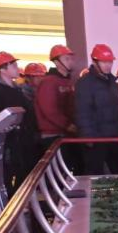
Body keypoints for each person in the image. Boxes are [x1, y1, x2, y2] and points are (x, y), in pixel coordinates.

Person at [0, 51, 40, 191]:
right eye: (13, 65)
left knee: (25, 174)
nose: (17, 68)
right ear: (2, 69)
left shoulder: (16, 88)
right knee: (7, 176)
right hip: (8, 142)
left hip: (23, 140)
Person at [74, 44, 118, 175]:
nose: (108, 65)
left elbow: (117, 109)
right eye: (104, 62)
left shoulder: (112, 82)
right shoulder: (85, 83)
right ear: (94, 62)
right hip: (96, 139)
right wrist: (88, 138)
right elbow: (82, 112)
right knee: (95, 174)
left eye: (110, 62)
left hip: (114, 137)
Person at [36, 44, 81, 174]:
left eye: (71, 58)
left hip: (66, 134)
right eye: (66, 59)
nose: (70, 61)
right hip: (53, 135)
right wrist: (68, 125)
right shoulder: (48, 82)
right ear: (56, 62)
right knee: (59, 173)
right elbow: (50, 110)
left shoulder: (68, 81)